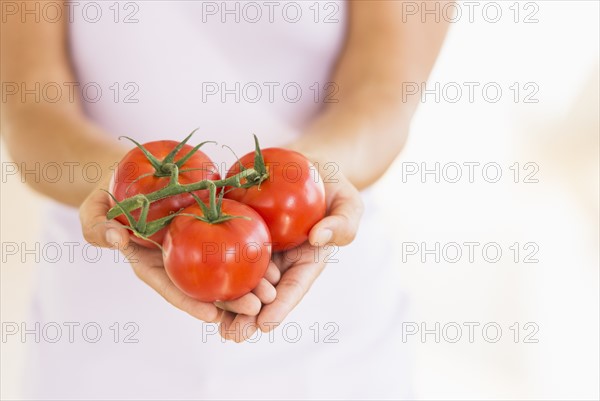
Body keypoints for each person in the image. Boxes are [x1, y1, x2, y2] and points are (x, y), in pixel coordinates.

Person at [2, 1, 450, 398]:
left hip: (336, 350)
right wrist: (121, 185)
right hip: (95, 345)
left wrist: (312, 178)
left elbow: (384, 93)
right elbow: (31, 108)